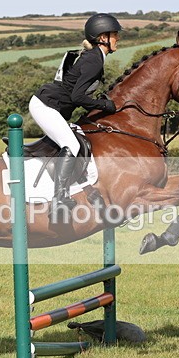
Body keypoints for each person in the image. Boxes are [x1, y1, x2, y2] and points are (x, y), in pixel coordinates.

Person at [29, 13, 122, 210]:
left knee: (80, 137)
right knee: (70, 143)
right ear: (102, 37)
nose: (118, 38)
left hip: (53, 106)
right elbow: (77, 98)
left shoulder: (95, 57)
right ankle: (59, 199)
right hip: (45, 105)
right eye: (114, 34)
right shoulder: (94, 61)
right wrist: (105, 105)